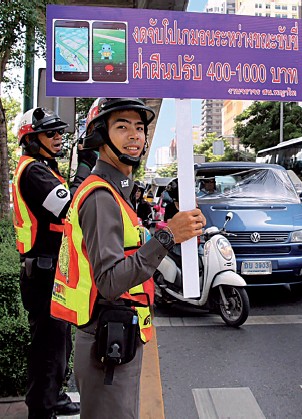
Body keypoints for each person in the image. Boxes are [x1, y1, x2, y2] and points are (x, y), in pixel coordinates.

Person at [50, 98, 206, 419]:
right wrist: (167, 236)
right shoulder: (100, 197)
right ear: (99, 137)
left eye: (139, 127)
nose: (135, 135)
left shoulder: (117, 192)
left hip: (117, 339)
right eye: (122, 127)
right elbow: (110, 282)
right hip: (106, 342)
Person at [12, 107, 97, 419]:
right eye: (51, 133)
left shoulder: (44, 169)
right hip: (42, 272)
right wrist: (86, 170)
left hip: (51, 269)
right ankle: (42, 408)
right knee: (47, 346)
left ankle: (55, 396)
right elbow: (69, 207)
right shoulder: (33, 172)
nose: (60, 137)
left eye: (60, 132)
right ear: (32, 140)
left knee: (59, 341)